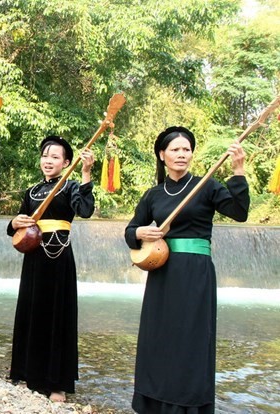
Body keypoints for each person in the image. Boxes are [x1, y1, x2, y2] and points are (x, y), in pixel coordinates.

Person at [124, 126, 250, 413]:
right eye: (175, 149)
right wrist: (142, 232)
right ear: (162, 154)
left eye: (187, 149)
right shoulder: (153, 195)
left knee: (190, 339)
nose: (182, 154)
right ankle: (153, 403)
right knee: (158, 338)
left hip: (195, 273)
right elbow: (131, 231)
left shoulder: (206, 185)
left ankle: (188, 406)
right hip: (162, 272)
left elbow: (239, 213)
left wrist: (238, 170)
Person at [7, 135, 95, 402]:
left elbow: (86, 211)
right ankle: (28, 374)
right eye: (45, 156)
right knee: (32, 312)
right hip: (33, 257)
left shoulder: (70, 187)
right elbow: (12, 227)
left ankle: (57, 384)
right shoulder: (31, 192)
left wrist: (87, 173)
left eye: (55, 157)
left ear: (66, 162)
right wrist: (14, 221)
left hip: (59, 258)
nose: (48, 161)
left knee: (58, 314)